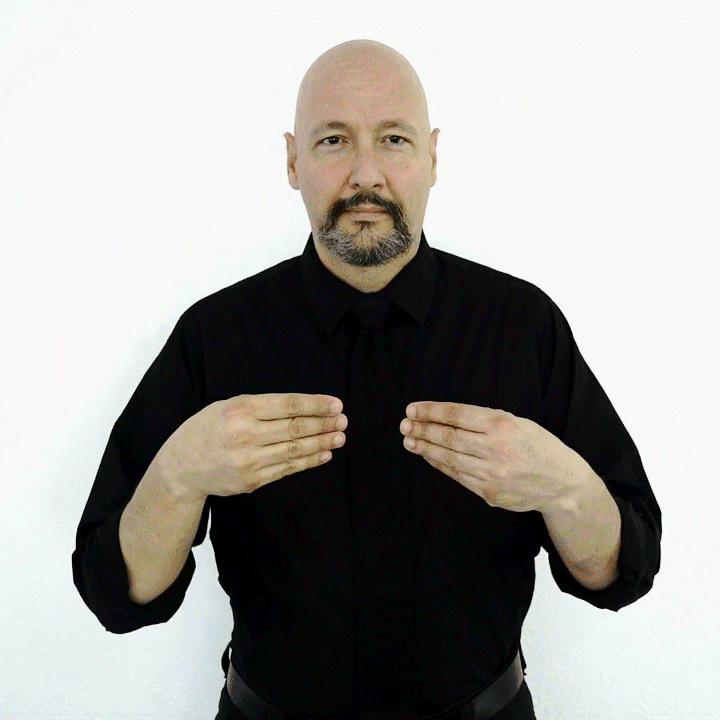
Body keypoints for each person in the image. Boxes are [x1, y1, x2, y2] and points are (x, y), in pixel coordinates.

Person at [72, 39, 662, 720]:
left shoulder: (523, 326)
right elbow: (117, 594)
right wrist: (180, 473)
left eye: (393, 139)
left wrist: (563, 485)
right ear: (292, 161)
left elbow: (622, 570)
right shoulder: (214, 335)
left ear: (432, 157)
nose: (365, 174)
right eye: (333, 141)